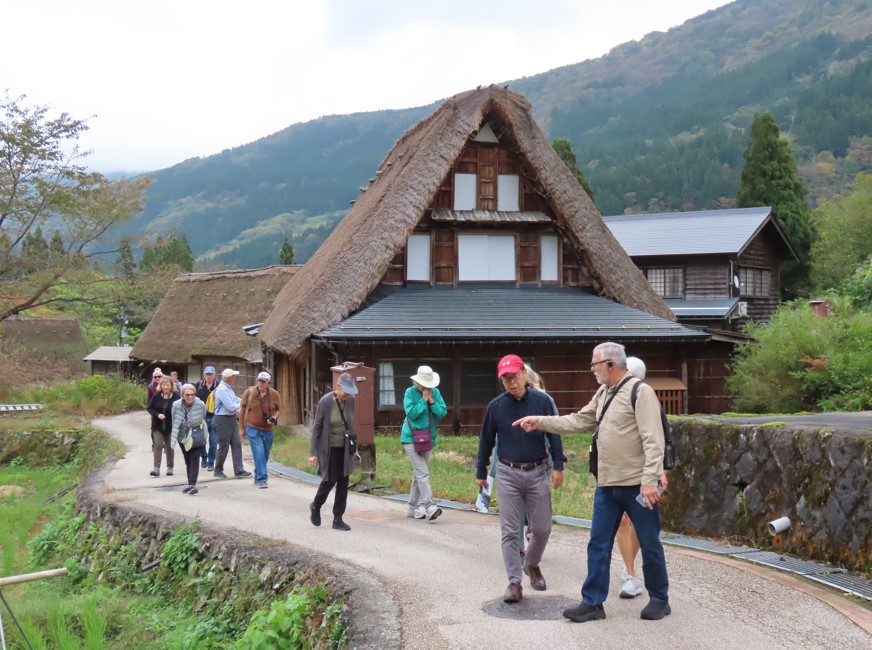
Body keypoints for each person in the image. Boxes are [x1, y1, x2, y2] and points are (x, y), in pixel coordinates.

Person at [514, 342, 671, 623]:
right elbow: (579, 421)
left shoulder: (640, 392)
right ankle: (592, 602)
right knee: (598, 543)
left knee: (649, 542)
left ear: (610, 364)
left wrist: (649, 481)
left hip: (637, 484)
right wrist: (540, 421)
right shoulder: (605, 392)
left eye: (595, 364)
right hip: (607, 484)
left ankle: (659, 598)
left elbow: (653, 439)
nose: (591, 370)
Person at [475, 354, 565, 604]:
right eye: (505, 379)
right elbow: (486, 440)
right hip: (507, 472)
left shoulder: (543, 401)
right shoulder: (496, 406)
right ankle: (514, 582)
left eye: (514, 376)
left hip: (537, 471)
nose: (511, 382)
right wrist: (481, 472)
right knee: (509, 531)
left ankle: (532, 564)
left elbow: (554, 432)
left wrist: (558, 465)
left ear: (524, 373)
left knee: (543, 528)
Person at [616, 356, 670, 599]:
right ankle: (630, 574)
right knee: (622, 522)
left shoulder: (647, 399)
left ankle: (647, 585)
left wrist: (662, 470)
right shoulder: (610, 398)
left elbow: (663, 438)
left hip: (644, 475)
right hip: (616, 474)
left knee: (641, 525)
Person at [308, 372, 359, 531]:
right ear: (338, 387)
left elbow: (351, 425)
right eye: (345, 392)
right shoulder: (325, 402)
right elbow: (316, 428)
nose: (347, 395)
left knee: (343, 482)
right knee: (329, 480)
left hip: (345, 448)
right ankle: (316, 506)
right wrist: (312, 453)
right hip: (328, 447)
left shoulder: (351, 400)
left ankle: (338, 518)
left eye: (350, 392)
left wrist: (354, 448)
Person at [401, 365, 448, 520]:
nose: (427, 387)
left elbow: (442, 412)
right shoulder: (410, 393)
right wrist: (423, 400)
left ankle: (412, 508)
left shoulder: (436, 393)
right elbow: (412, 414)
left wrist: (432, 402)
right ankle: (430, 506)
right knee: (423, 473)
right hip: (410, 438)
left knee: (418, 475)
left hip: (428, 439)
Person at [239, 371, 281, 489]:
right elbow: (242, 410)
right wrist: (242, 428)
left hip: (268, 429)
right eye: (259, 381)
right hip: (252, 427)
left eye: (263, 381)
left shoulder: (274, 394)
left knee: (265, 455)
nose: (260, 383)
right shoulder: (250, 392)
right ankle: (262, 479)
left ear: (268, 383)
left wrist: (274, 418)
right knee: (259, 452)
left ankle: (258, 474)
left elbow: (278, 410)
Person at [212, 368, 252, 479]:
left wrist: (241, 403)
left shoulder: (228, 388)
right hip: (222, 419)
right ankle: (218, 469)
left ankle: (239, 469)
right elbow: (230, 406)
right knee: (224, 445)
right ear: (229, 378)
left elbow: (236, 400)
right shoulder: (222, 390)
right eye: (233, 376)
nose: (235, 378)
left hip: (230, 418)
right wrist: (243, 406)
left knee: (236, 443)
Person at [171, 383, 208, 495]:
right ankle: (190, 483)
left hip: (196, 434)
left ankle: (193, 484)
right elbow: (174, 421)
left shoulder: (200, 404)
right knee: (188, 460)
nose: (190, 397)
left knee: (194, 458)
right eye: (187, 395)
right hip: (183, 436)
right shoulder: (176, 405)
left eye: (192, 394)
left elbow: (204, 415)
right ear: (182, 395)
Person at [146, 375, 178, 477]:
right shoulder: (157, 395)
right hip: (158, 425)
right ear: (161, 386)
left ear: (171, 386)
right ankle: (156, 468)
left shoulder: (176, 396)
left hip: (171, 426)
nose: (166, 387)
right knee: (158, 445)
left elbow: (180, 409)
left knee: (169, 447)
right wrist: (157, 414)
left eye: (168, 385)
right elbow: (150, 408)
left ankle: (170, 467)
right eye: (164, 385)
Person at [195, 366, 220, 471]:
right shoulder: (199, 385)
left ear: (214, 375)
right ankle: (204, 456)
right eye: (207, 374)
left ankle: (211, 462)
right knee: (201, 441)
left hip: (214, 418)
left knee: (213, 442)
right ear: (204, 375)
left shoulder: (218, 386)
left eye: (211, 374)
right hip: (202, 418)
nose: (209, 376)